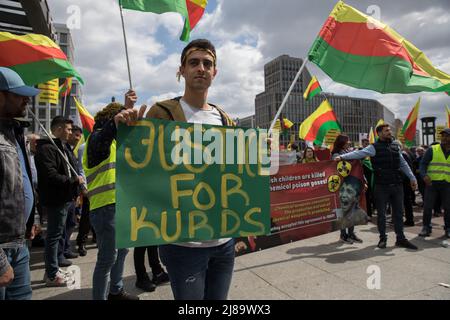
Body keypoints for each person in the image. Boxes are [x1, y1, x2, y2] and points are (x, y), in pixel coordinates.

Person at [144, 39, 236, 300]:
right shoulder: (161, 113)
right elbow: (143, 168)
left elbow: (237, 172)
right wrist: (124, 130)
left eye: (208, 64)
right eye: (194, 62)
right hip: (183, 243)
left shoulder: (225, 119)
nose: (201, 68)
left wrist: (258, 153)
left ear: (214, 73)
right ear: (181, 70)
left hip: (223, 241)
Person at [83, 102, 142, 300]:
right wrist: (114, 123)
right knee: (107, 258)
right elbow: (102, 140)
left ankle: (115, 290)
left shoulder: (116, 142)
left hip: (118, 205)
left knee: (123, 249)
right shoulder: (97, 138)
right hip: (105, 208)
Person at [334, 124, 418, 250]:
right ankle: (382, 238)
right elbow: (359, 153)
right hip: (381, 186)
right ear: (379, 133)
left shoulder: (396, 146)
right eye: (386, 131)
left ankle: (401, 238)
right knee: (382, 215)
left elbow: (403, 163)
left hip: (397, 185)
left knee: (399, 213)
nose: (389, 132)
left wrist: (412, 177)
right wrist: (341, 157)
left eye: (390, 130)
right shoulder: (373, 148)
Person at [0, 67, 40, 299]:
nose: (27, 99)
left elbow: (23, 182)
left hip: (19, 243)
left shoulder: (14, 133)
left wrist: (32, 218)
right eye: (19, 94)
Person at [35, 116, 83, 286]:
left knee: (56, 234)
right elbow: (51, 176)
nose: (71, 132)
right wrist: (74, 181)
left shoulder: (60, 147)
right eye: (68, 129)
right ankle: (52, 273)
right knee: (53, 236)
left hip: (64, 198)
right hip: (56, 199)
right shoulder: (47, 149)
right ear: (59, 129)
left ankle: (53, 268)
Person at [418, 128, 450, 238]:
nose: (445, 138)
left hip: (447, 184)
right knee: (427, 206)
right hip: (432, 183)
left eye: (447, 136)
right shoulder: (433, 149)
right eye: (443, 136)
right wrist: (424, 175)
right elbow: (423, 164)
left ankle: (448, 228)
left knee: (448, 207)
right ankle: (426, 227)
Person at [332, 134, 363, 243]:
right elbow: (336, 169)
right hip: (343, 187)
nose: (349, 142)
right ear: (342, 142)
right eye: (347, 141)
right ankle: (343, 235)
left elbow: (357, 167)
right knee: (343, 212)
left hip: (352, 185)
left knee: (353, 210)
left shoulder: (348, 152)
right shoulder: (336, 154)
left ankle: (351, 233)